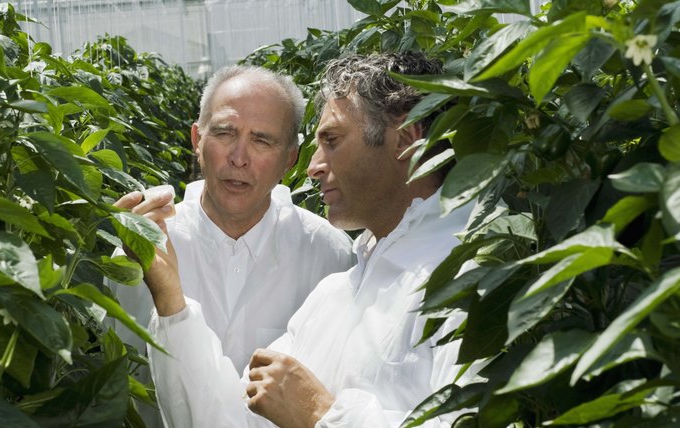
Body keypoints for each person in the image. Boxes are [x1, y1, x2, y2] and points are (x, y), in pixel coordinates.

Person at [131, 51, 477, 427]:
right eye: (226, 133)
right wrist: (171, 301)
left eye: (332, 140)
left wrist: (321, 416)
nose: (313, 168)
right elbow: (230, 419)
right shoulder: (336, 295)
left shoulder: (468, 273)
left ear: (406, 142)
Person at [108, 66, 354, 424]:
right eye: (224, 133)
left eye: (262, 140)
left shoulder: (329, 255)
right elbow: (124, 389)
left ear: (290, 159)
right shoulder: (144, 250)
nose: (239, 157)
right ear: (197, 139)